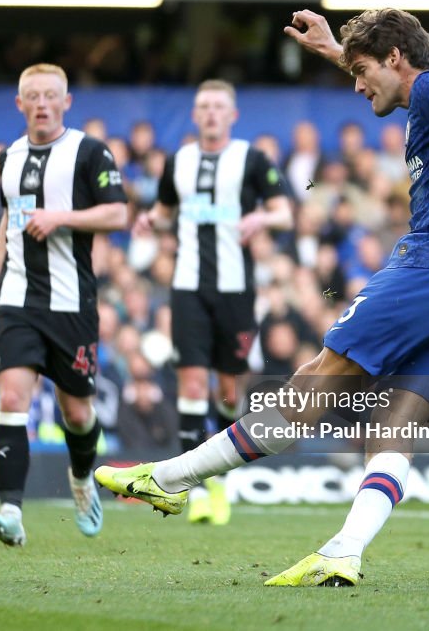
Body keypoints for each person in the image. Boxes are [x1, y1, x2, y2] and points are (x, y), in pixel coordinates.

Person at [96, 7, 429, 587]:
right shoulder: (422, 100)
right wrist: (337, 48)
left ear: (394, 59)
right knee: (394, 427)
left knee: (316, 379)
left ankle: (172, 477)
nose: (356, 86)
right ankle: (345, 551)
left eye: (362, 71)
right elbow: (416, 87)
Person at [0, 63, 128, 546]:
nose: (42, 103)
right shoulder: (8, 156)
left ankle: (82, 479)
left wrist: (61, 217)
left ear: (66, 102)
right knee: (12, 398)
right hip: (19, 300)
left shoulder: (88, 151)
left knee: (78, 415)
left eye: (50, 95)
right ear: (19, 105)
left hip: (71, 303)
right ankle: (11, 511)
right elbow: (10, 216)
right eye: (32, 96)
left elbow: (118, 212)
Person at [133, 78, 292, 524]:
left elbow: (284, 212)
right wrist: (150, 220)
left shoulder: (252, 160)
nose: (210, 113)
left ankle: (218, 481)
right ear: (195, 114)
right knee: (191, 384)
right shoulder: (178, 162)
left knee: (226, 389)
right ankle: (188, 489)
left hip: (236, 291)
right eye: (203, 106)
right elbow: (165, 213)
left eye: (219, 106)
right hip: (187, 288)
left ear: (232, 115)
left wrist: (260, 216)